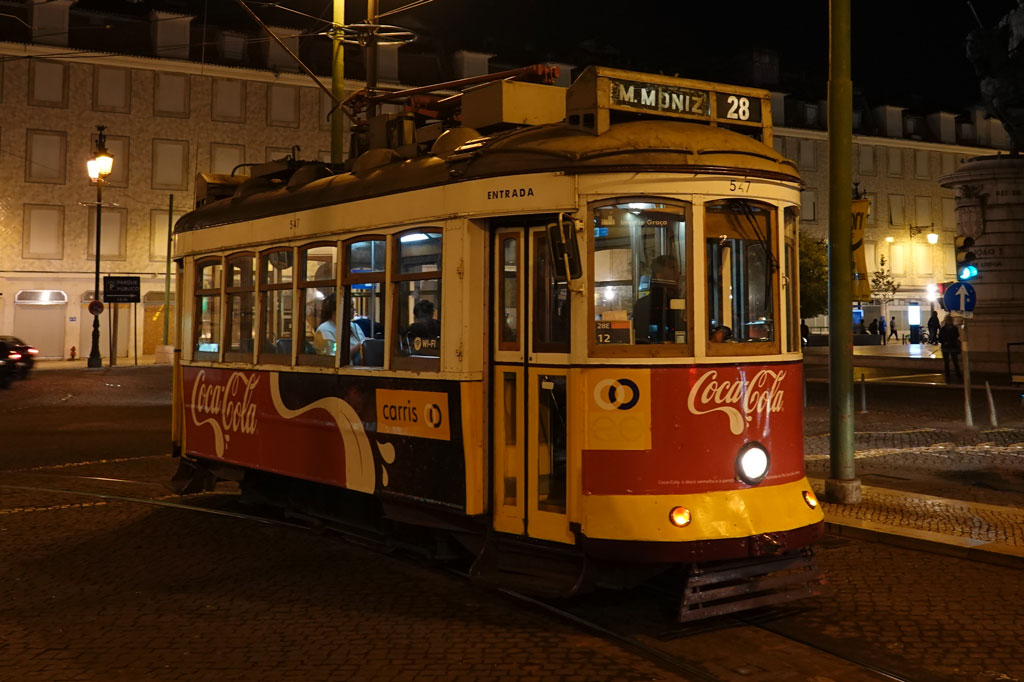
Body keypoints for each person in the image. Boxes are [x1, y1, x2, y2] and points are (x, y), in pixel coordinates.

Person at [633, 255, 682, 343]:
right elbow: (642, 341)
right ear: (659, 275)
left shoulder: (684, 303)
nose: (677, 273)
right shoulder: (644, 306)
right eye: (672, 268)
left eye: (677, 269)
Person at [938, 315, 963, 384]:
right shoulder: (954, 328)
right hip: (951, 346)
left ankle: (949, 374)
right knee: (953, 361)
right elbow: (957, 336)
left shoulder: (944, 329)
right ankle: (956, 373)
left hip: (948, 347)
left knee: (949, 361)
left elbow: (940, 338)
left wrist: (945, 341)